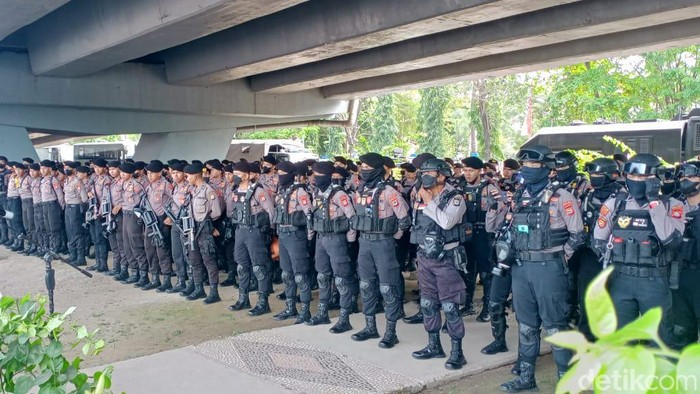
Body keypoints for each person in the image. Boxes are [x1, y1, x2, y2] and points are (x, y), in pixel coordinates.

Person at [492, 145, 584, 392]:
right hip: (521, 268)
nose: (528, 170)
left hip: (549, 269)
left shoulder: (563, 196)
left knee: (555, 325)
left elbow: (577, 234)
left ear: (547, 168)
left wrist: (560, 258)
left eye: (533, 166)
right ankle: (525, 377)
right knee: (526, 325)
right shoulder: (520, 194)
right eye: (525, 166)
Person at [594, 153, 685, 349]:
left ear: (655, 178)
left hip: (654, 280)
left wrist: (654, 202)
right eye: (632, 177)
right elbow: (599, 240)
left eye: (643, 178)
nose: (636, 182)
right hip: (621, 280)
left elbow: (670, 240)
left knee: (660, 338)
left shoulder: (672, 205)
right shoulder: (616, 203)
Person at [410, 158, 468, 370]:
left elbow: (446, 222)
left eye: (429, 172)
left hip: (447, 258)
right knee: (427, 304)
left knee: (451, 306)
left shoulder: (455, 197)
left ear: (442, 175)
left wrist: (428, 201)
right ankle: (433, 346)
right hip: (425, 257)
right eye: (422, 172)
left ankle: (457, 352)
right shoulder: (419, 195)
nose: (424, 176)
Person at [350, 153, 411, 348]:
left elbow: (404, 219)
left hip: (383, 244)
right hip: (364, 243)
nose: (363, 171)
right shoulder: (360, 191)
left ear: (377, 170)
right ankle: (370, 327)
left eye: (367, 168)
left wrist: (394, 237)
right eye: (362, 167)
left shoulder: (389, 192)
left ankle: (390, 332)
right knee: (366, 285)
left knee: (388, 287)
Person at [575, 158, 623, 339]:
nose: (594, 178)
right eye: (591, 174)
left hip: (615, 258)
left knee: (614, 301)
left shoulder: (623, 197)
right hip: (589, 256)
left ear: (611, 175)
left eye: (598, 174)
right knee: (587, 299)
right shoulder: (587, 196)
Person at [307, 161, 357, 329]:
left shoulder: (339, 194)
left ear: (328, 177)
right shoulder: (317, 193)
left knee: (341, 279)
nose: (315, 179)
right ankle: (322, 313)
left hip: (336, 239)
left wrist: (350, 240)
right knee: (322, 276)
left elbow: (351, 217)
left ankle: (344, 318)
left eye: (318, 176)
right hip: (321, 238)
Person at [228, 161, 276, 316]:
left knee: (258, 267)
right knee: (241, 266)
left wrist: (271, 233)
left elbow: (271, 211)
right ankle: (243, 299)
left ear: (247, 175)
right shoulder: (235, 190)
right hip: (240, 231)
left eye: (238, 174)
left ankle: (263, 303)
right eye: (234, 173)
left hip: (254, 232)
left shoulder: (258, 190)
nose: (235, 176)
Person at [271, 161, 314, 323]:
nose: (279, 176)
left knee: (300, 274)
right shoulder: (283, 191)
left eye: (282, 173)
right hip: (283, 235)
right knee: (287, 273)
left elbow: (309, 214)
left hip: (296, 236)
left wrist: (309, 237)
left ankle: (305, 310)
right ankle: (290, 308)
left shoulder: (300, 192)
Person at [460, 157, 499, 321]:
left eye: (471, 171)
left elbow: (498, 209)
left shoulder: (490, 188)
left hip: (484, 233)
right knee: (468, 270)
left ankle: (488, 308)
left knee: (486, 272)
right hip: (466, 233)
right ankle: (468, 305)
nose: (467, 174)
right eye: (465, 170)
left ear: (479, 171)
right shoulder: (461, 187)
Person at [184, 162, 224, 304]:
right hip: (192, 229)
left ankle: (214, 292)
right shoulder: (193, 190)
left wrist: (207, 224)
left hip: (204, 229)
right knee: (194, 260)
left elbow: (216, 212)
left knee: (209, 260)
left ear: (195, 176)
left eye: (187, 175)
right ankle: (198, 288)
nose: (186, 177)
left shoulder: (208, 190)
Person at [672, 161, 700, 347]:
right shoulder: (675, 207)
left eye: (690, 177)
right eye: (682, 177)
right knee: (681, 331)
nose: (685, 181)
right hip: (679, 275)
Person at [142, 161, 174, 292]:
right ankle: (155, 278)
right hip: (150, 219)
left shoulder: (166, 185)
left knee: (162, 249)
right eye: (148, 173)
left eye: (152, 173)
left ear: (159, 173)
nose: (149, 175)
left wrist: (170, 217)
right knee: (149, 249)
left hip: (162, 220)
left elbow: (176, 200)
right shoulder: (149, 186)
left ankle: (166, 279)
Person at [63, 165, 89, 266]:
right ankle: (73, 255)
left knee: (77, 233)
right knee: (69, 232)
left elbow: (84, 198)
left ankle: (81, 257)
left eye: (69, 168)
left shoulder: (77, 181)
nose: (66, 170)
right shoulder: (67, 181)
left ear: (74, 170)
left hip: (75, 208)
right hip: (68, 207)